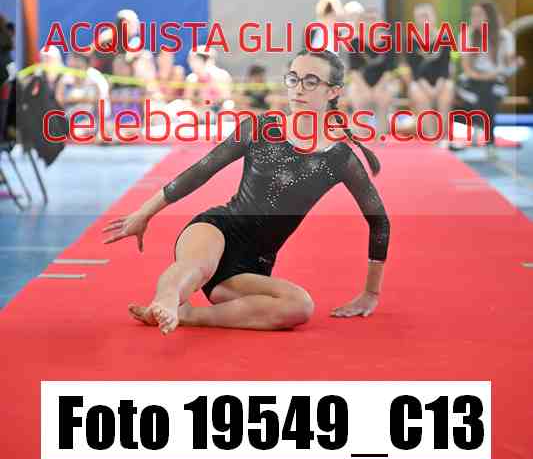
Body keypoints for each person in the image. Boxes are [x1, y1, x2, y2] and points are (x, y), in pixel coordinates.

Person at [103, 50, 391, 335]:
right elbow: (200, 171)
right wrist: (144, 214)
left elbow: (379, 221)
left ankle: (190, 315)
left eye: (311, 81)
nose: (299, 89)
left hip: (250, 268)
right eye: (294, 79)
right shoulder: (259, 128)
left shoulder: (339, 158)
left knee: (300, 306)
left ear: (333, 91)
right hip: (216, 229)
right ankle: (166, 300)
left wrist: (371, 293)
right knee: (197, 266)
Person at [456, 0, 525, 153]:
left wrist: (516, 64)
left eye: (479, 14)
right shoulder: (466, 35)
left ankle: (479, 128)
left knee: (489, 90)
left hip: (495, 81)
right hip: (473, 80)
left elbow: (508, 66)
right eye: (473, 14)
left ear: (489, 16)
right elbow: (467, 69)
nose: (474, 18)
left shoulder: (504, 36)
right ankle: (489, 138)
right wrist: (486, 76)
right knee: (484, 90)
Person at [403, 3, 454, 145]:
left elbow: (445, 67)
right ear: (416, 19)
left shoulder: (444, 37)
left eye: (427, 15)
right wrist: (428, 89)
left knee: (446, 93)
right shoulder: (411, 40)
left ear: (434, 17)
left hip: (441, 81)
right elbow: (414, 70)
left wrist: (437, 88)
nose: (424, 19)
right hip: (420, 82)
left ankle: (443, 137)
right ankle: (431, 136)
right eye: (420, 16)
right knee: (419, 95)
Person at [345, 7, 397, 138]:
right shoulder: (355, 42)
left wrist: (378, 88)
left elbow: (390, 70)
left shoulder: (389, 41)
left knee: (383, 98)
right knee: (359, 98)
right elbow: (354, 71)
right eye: (367, 19)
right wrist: (365, 90)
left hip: (384, 83)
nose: (371, 22)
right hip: (361, 83)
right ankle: (361, 137)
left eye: (374, 19)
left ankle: (381, 136)